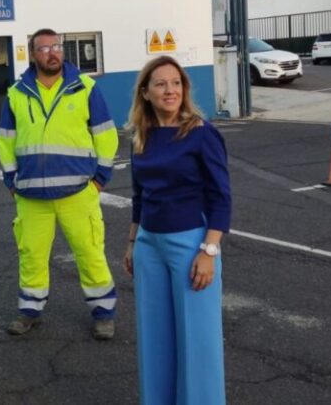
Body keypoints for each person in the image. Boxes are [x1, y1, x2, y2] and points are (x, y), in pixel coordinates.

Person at [0, 28, 119, 340]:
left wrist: (100, 179)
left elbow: (105, 135)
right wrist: (12, 180)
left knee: (90, 252)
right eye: (44, 48)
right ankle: (30, 311)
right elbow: (5, 141)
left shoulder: (85, 87)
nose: (52, 53)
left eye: (57, 47)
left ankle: (104, 313)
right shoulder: (16, 93)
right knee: (31, 255)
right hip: (30, 195)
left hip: (78, 192)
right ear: (32, 54)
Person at [122, 55, 230, 405]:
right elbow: (140, 195)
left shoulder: (201, 133)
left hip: (191, 245)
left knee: (197, 342)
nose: (170, 90)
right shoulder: (142, 135)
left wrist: (209, 251)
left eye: (176, 83)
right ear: (146, 92)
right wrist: (132, 241)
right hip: (149, 245)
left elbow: (221, 197)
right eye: (161, 84)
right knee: (154, 340)